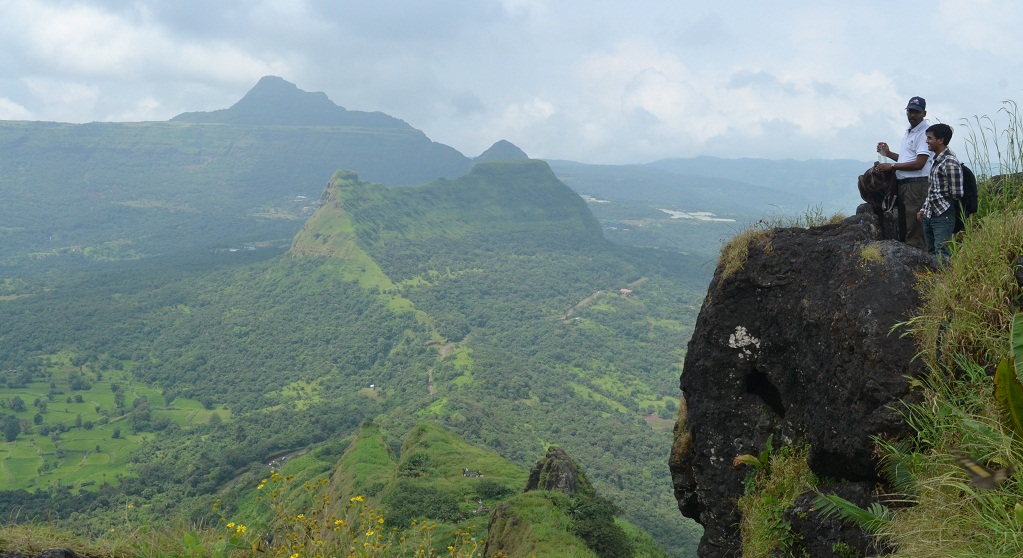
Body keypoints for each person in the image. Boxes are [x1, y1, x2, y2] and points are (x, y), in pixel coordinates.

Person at [875, 96, 932, 250]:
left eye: (916, 112)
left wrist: (892, 167)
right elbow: (907, 159)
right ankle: (911, 255)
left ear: (924, 113)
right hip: (905, 184)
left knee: (915, 224)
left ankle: (917, 259)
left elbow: (919, 164)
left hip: (917, 185)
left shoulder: (925, 132)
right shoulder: (910, 131)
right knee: (906, 222)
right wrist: (888, 153)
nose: (912, 115)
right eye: (910, 111)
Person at [918, 123, 963, 263]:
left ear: (940, 140)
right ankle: (934, 283)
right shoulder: (937, 161)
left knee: (942, 252)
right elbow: (932, 189)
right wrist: (924, 209)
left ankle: (944, 283)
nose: (927, 141)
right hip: (930, 214)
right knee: (931, 252)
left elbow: (956, 193)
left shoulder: (949, 162)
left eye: (930, 138)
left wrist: (942, 205)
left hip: (943, 215)